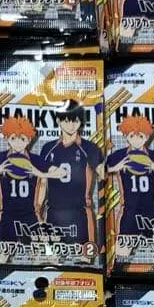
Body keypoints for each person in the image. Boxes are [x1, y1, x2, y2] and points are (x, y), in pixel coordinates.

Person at [0, 116, 65, 247]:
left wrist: (40, 173)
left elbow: (62, 172)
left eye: (22, 139)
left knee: (38, 253)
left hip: (31, 216)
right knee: (1, 254)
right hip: (6, 216)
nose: (18, 143)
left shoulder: (35, 160)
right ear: (6, 138)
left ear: (29, 139)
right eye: (13, 138)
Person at [37, 101, 102, 249]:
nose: (71, 125)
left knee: (84, 259)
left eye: (75, 121)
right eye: (67, 121)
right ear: (58, 121)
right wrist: (38, 210)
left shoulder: (89, 148)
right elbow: (42, 182)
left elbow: (103, 173)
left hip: (80, 214)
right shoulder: (48, 148)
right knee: (51, 258)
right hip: (53, 213)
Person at [107, 115, 154, 238]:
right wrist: (114, 168)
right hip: (129, 210)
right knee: (123, 246)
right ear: (125, 136)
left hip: (151, 210)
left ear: (147, 137)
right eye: (132, 136)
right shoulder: (118, 156)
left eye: (140, 136)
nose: (136, 140)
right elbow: (99, 171)